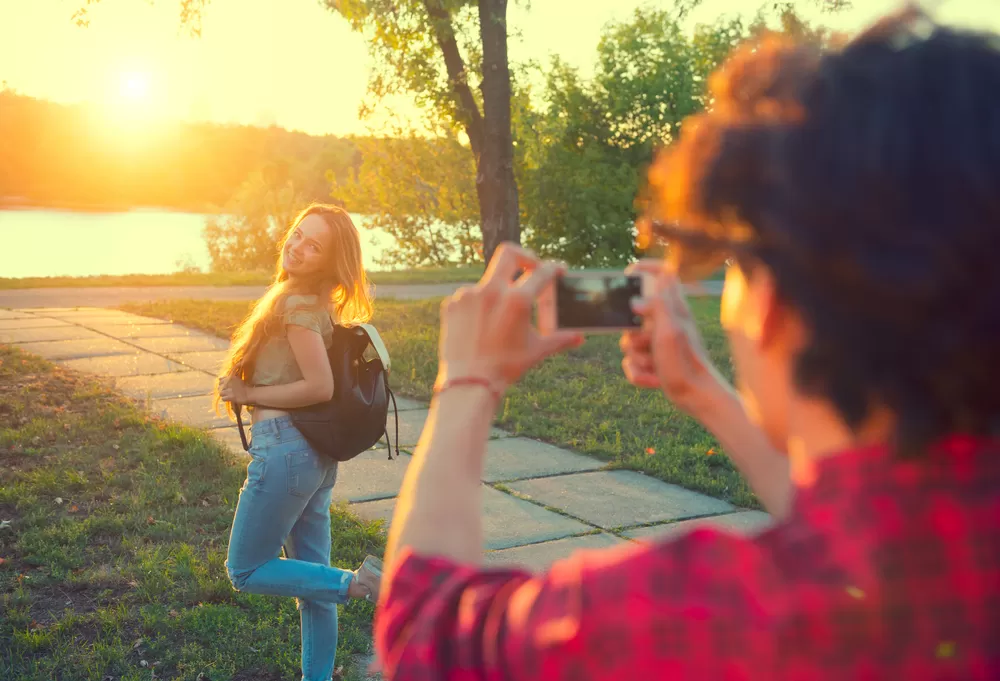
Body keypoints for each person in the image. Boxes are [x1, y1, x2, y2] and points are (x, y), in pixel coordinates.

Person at [371, 9, 1000, 681]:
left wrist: (467, 381)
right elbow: (870, 533)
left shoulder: (701, 616)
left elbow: (426, 632)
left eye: (736, 267)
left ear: (771, 307)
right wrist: (703, 388)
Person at [216, 204, 384, 681]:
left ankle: (360, 585)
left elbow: (319, 386)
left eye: (315, 246)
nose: (298, 248)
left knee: (246, 569)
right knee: (314, 585)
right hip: (310, 454)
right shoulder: (310, 300)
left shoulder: (297, 306)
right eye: (297, 235)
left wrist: (248, 393)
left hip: (286, 450)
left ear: (330, 260)